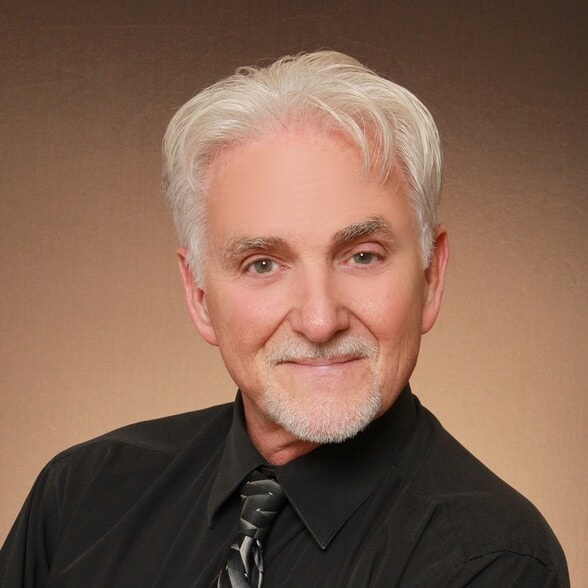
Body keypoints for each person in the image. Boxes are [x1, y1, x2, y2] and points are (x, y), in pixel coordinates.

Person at [0, 51, 568, 587]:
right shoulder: (80, 497)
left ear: (431, 277)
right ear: (198, 294)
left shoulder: (491, 561)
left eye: (362, 256)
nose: (320, 321)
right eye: (262, 264)